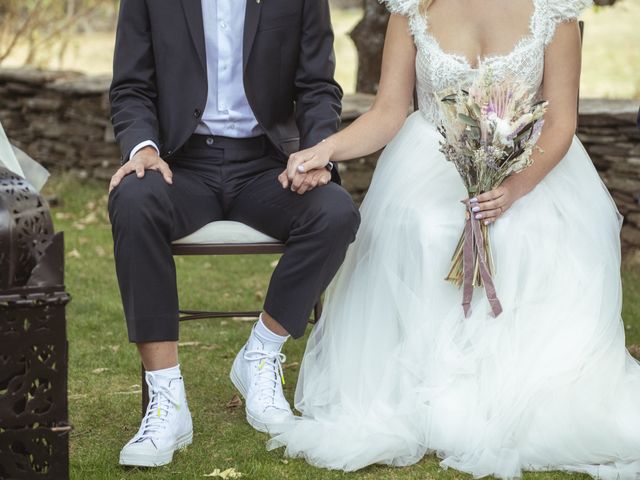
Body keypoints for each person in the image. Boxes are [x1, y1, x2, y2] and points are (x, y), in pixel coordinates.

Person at [268, 0, 640, 478]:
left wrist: (510, 190)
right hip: (430, 164)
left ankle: (519, 393)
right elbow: (386, 113)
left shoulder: (555, 9)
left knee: (530, 230)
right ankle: (430, 388)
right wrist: (325, 149)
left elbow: (561, 122)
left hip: (530, 166)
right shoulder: (411, 7)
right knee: (425, 226)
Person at [107, 0, 360, 467]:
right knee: (132, 199)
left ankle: (260, 354)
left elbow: (317, 86)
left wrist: (317, 151)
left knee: (334, 211)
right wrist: (142, 147)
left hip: (266, 165)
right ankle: (167, 402)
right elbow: (131, 86)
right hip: (180, 165)